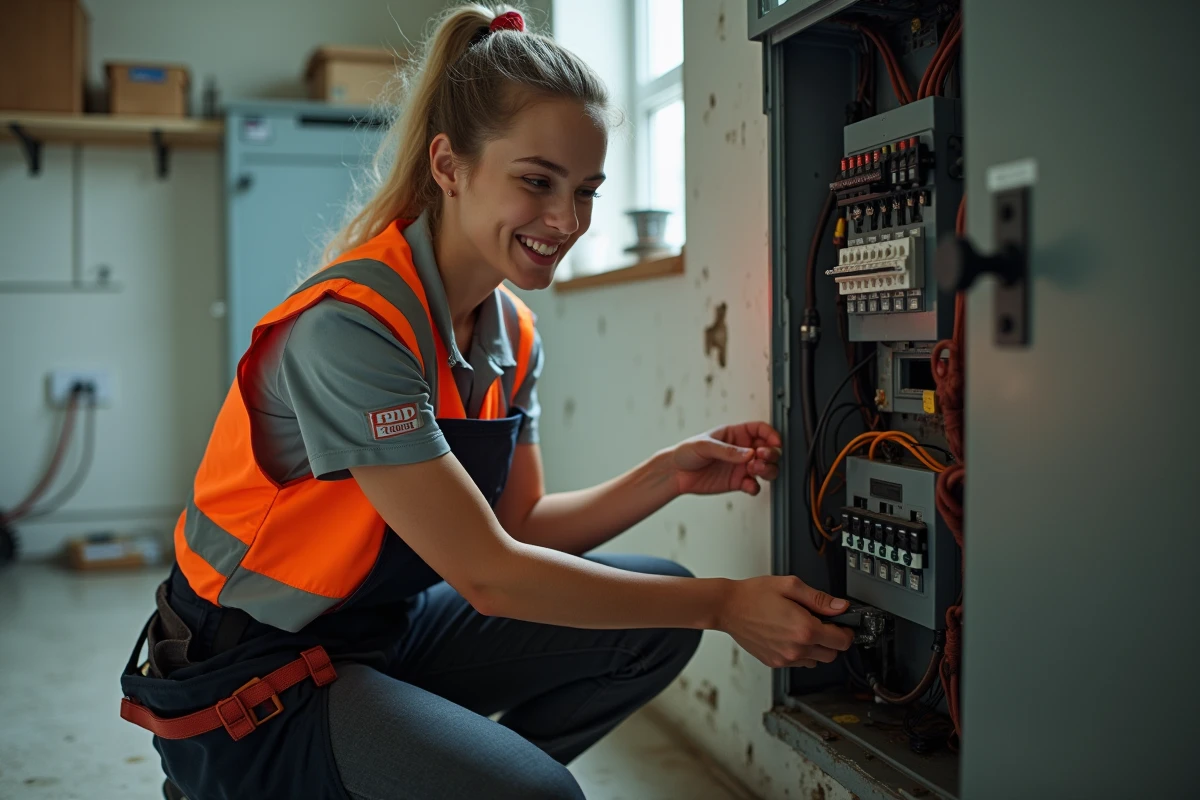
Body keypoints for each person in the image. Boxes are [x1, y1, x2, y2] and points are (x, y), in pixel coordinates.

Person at [118, 5, 855, 799]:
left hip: (381, 633)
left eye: (586, 191)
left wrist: (666, 475)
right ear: (449, 165)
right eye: (536, 182)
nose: (566, 220)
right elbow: (490, 576)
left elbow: (519, 528)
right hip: (256, 678)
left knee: (652, 620)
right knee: (542, 790)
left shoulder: (512, 332)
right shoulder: (352, 328)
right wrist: (724, 604)